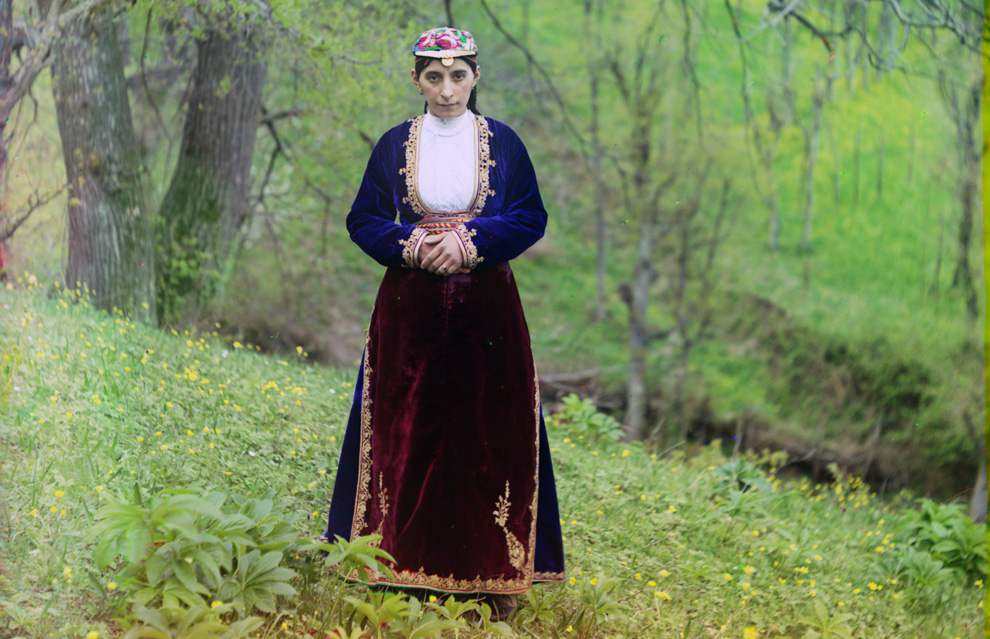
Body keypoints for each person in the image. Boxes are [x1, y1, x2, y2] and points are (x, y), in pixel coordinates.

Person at [319, 27, 565, 620]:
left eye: (458, 75)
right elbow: (363, 219)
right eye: (434, 76)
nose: (447, 89)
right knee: (406, 431)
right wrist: (411, 244)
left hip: (488, 311)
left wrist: (470, 243)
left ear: (476, 76)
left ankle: (490, 576)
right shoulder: (391, 146)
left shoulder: (504, 143)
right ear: (416, 80)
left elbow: (530, 216)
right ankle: (393, 568)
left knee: (488, 428)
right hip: (410, 312)